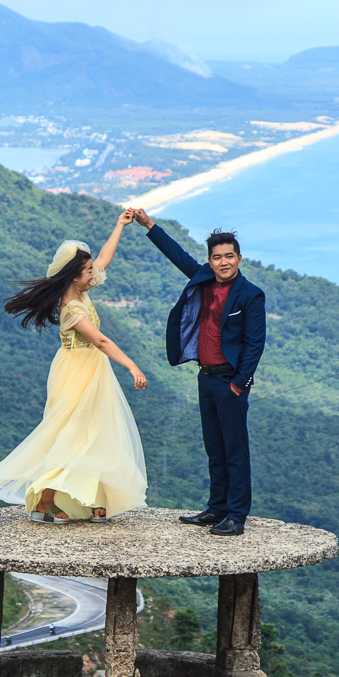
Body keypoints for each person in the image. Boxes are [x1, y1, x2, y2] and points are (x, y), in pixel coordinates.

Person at [0, 211, 148, 522]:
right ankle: (45, 501)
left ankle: (93, 498)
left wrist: (120, 226)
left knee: (98, 432)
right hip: (75, 372)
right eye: (88, 271)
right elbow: (100, 341)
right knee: (73, 435)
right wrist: (132, 365)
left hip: (94, 371)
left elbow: (105, 259)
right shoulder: (71, 308)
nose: (94, 273)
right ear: (75, 276)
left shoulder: (81, 291)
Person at [125, 209, 265, 537]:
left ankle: (236, 515)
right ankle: (217, 508)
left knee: (235, 450)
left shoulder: (251, 295)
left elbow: (254, 344)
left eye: (229, 256)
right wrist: (148, 225)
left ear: (239, 258)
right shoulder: (203, 278)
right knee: (214, 447)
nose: (223, 262)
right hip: (206, 377)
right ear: (210, 261)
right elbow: (177, 255)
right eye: (217, 257)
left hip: (230, 381)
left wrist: (239, 384)